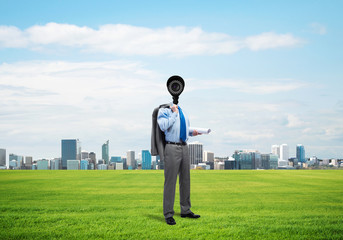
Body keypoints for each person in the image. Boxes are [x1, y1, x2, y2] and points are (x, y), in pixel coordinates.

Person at [157, 103, 201, 225]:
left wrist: (193, 132)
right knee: (170, 182)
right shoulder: (164, 111)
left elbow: (183, 129)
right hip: (171, 147)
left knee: (186, 180)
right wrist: (174, 113)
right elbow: (163, 126)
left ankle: (185, 210)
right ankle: (168, 214)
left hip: (184, 147)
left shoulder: (183, 112)